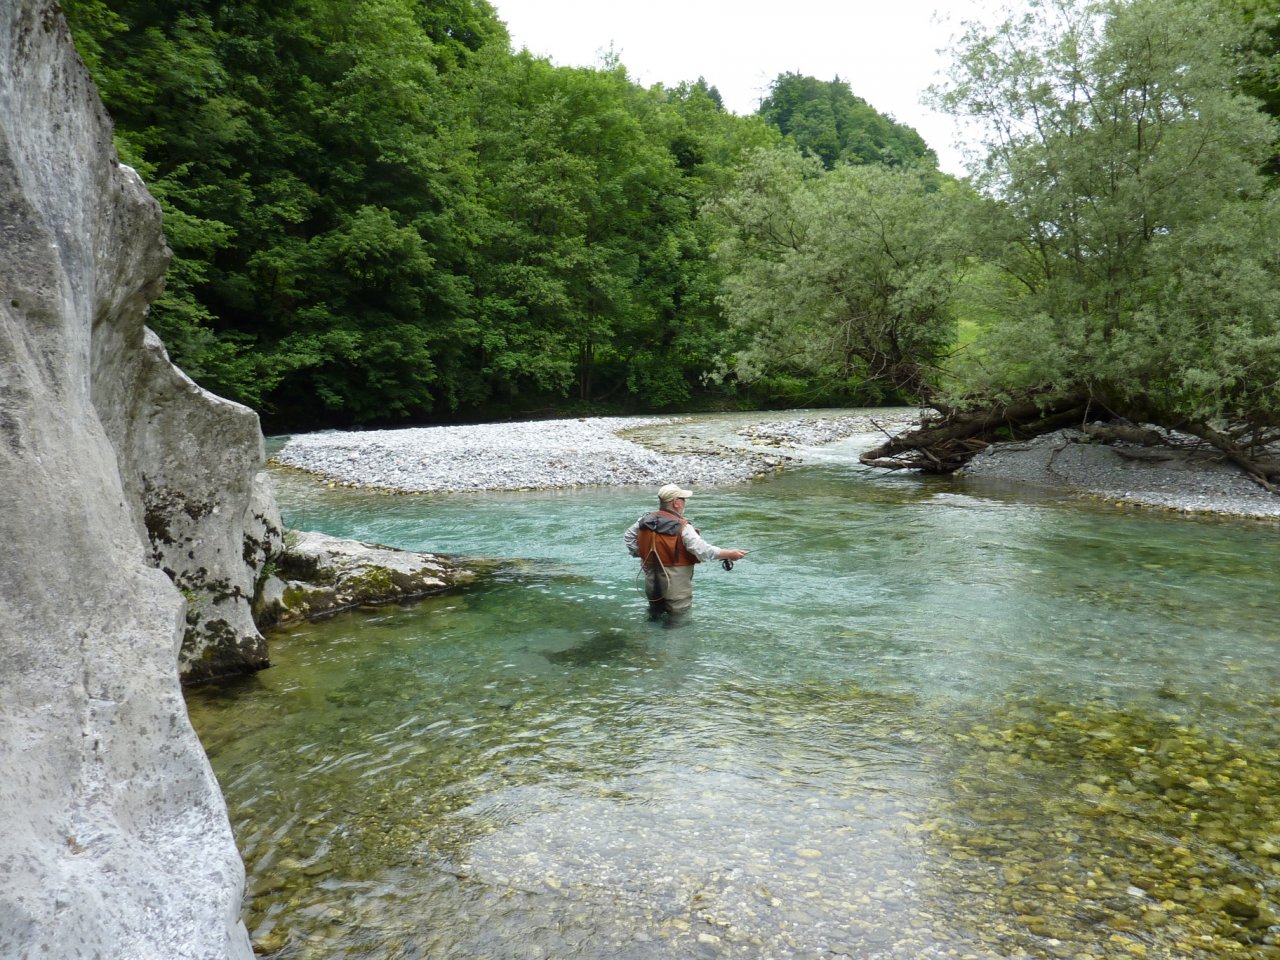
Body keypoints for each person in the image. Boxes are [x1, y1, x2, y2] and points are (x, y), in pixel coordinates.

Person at [624, 483, 747, 621]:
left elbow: (628, 537)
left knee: (654, 617)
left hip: (652, 582)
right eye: (683, 499)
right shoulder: (684, 527)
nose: (685, 502)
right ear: (676, 503)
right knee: (678, 623)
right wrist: (730, 554)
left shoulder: (644, 521)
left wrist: (643, 556)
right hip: (676, 588)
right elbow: (704, 551)